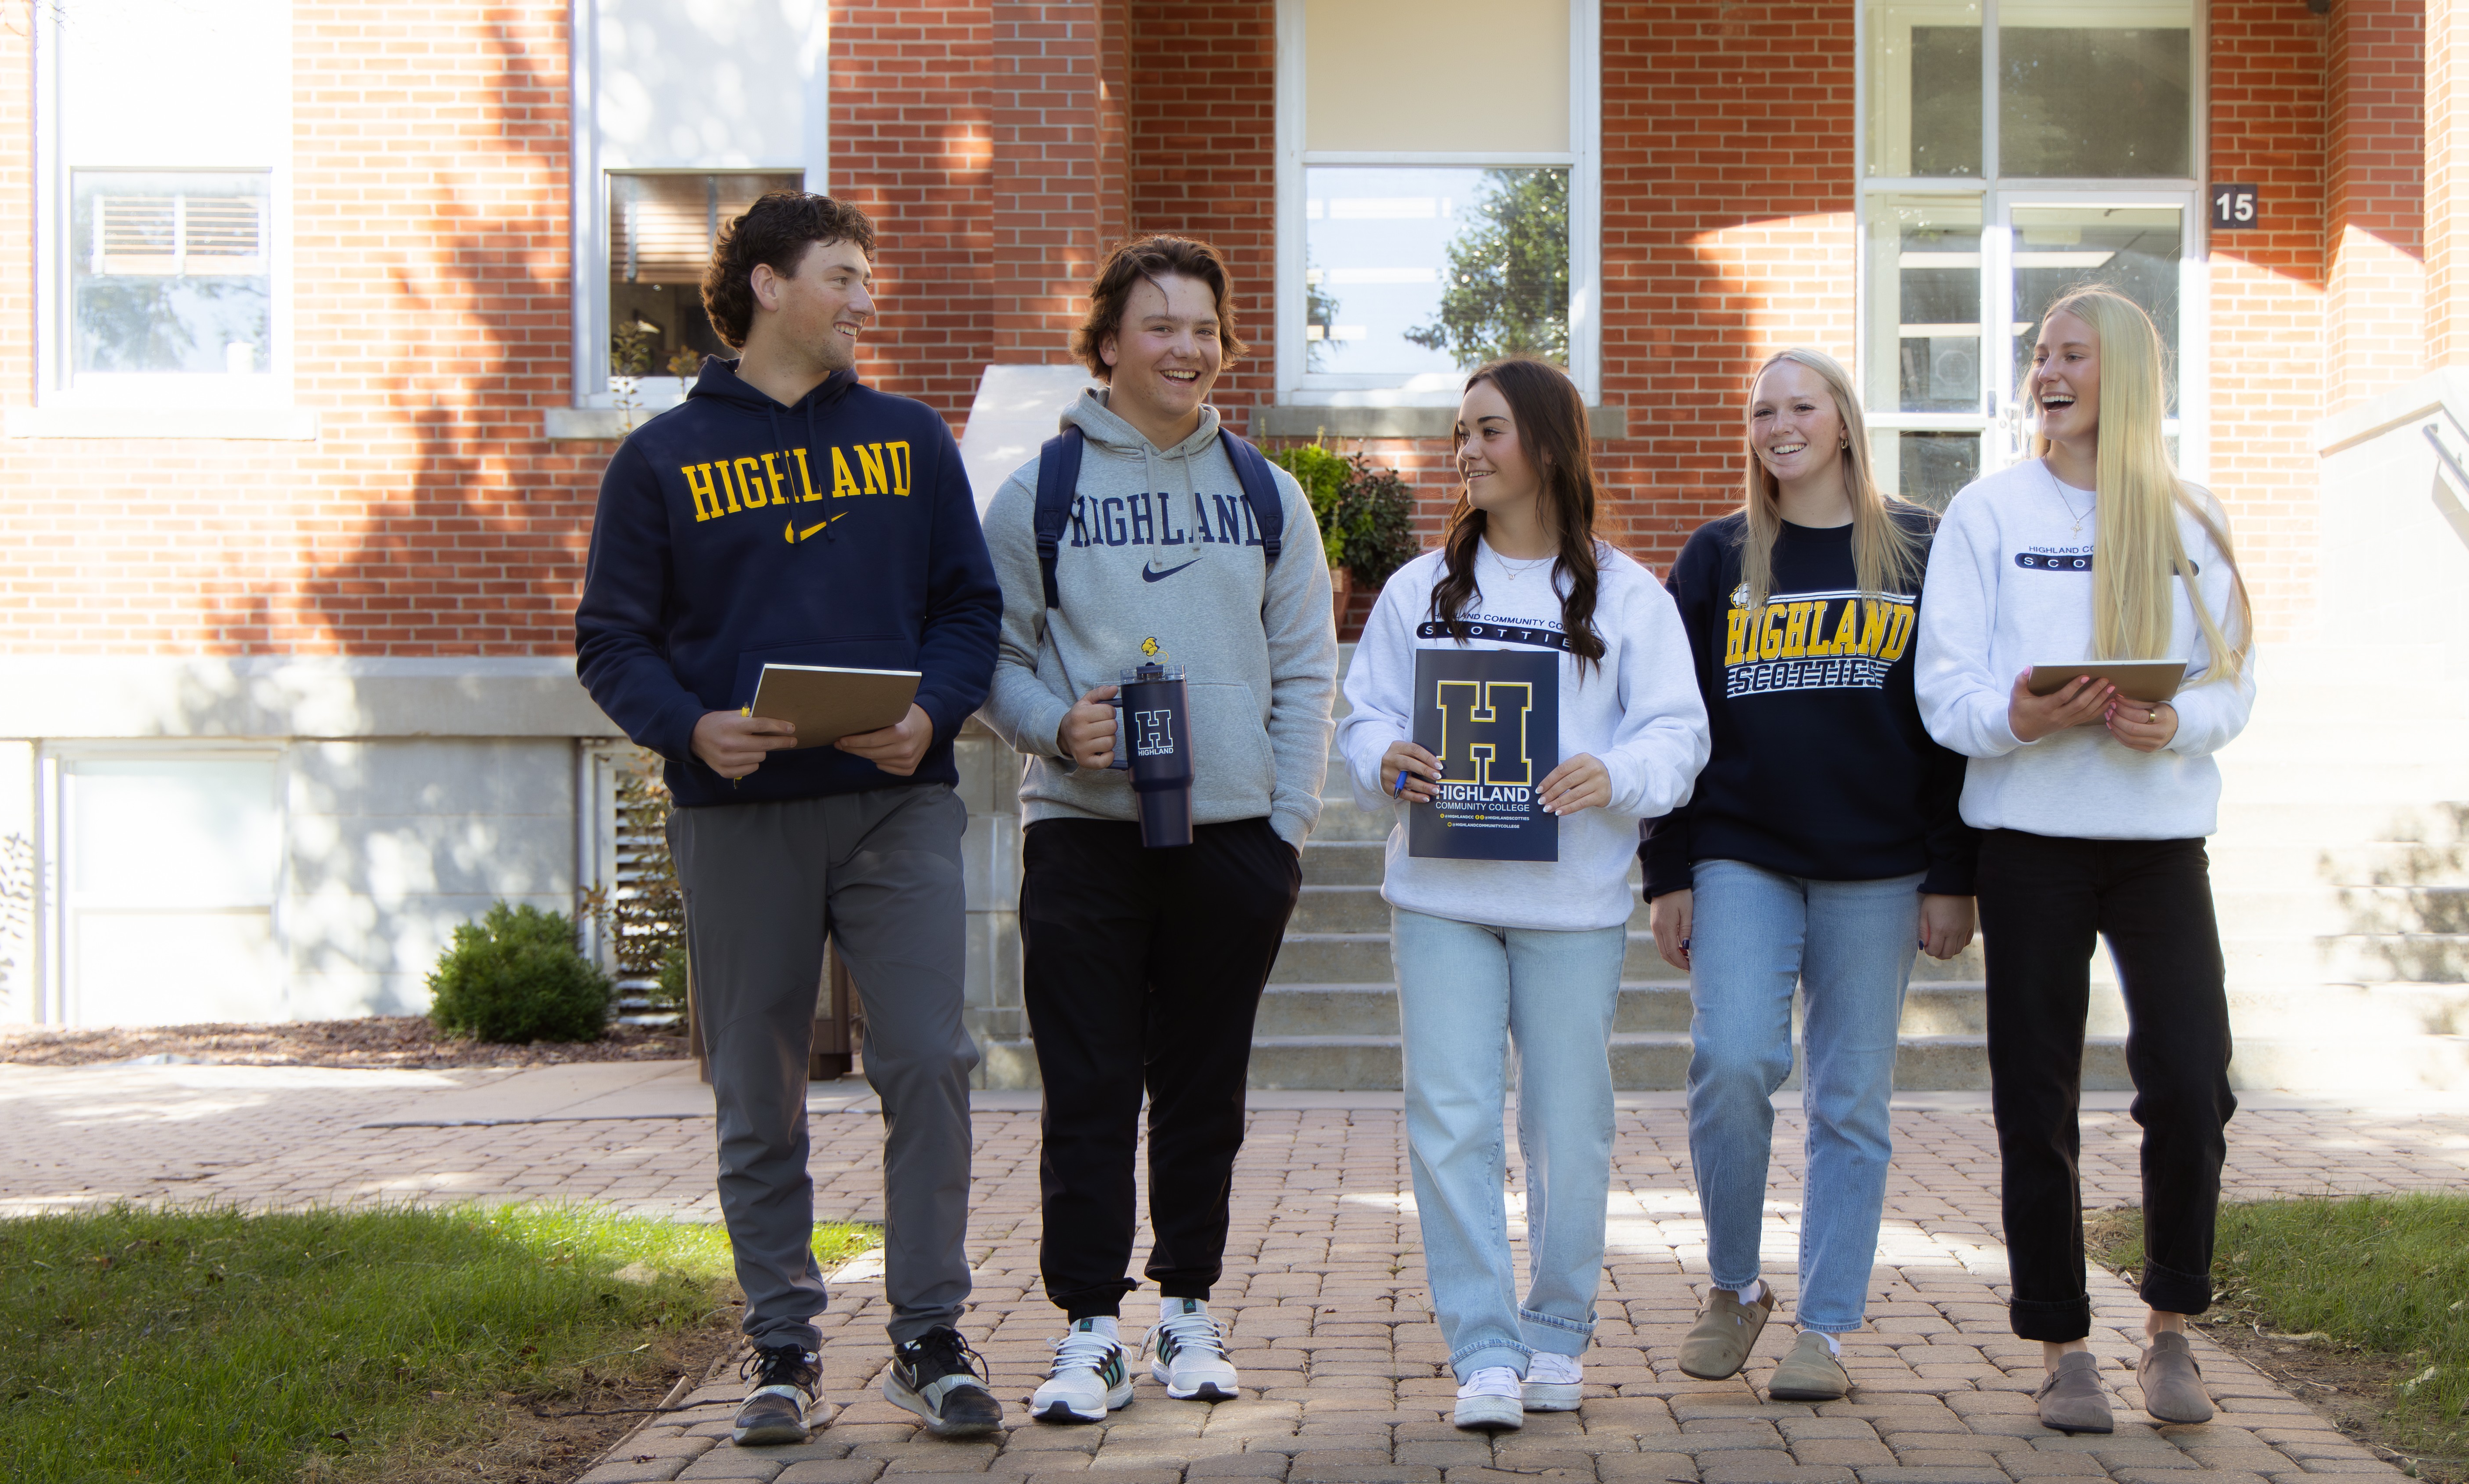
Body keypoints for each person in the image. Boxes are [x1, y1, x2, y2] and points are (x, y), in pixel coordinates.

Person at [575, 191, 1005, 1446]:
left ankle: (928, 1334)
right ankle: (781, 1344)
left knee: (928, 1057)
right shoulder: (659, 460)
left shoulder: (911, 439)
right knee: (757, 1089)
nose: (865, 300)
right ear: (768, 286)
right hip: (740, 810)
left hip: (895, 807)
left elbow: (966, 612)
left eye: (866, 277)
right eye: (843, 277)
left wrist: (931, 711)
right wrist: (686, 724)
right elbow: (610, 641)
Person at [974, 235, 1335, 1424]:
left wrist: (1282, 828)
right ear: (1109, 342)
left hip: (1230, 844)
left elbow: (1302, 670)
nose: (1188, 348)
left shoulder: (1265, 493)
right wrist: (1047, 729)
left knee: (1201, 1091)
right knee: (1086, 1089)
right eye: (1161, 325)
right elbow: (994, 656)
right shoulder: (1042, 490)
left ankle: (1188, 1308)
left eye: (1204, 328)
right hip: (1084, 841)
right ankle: (1089, 1328)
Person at [1337, 357, 1710, 1434]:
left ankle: (1555, 1334)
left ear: (1546, 444)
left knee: (1567, 1126)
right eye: (1458, 433)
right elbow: (1360, 715)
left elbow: (1678, 737)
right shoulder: (1419, 590)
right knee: (1449, 1122)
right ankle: (1485, 1349)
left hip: (1572, 904)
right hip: (1441, 896)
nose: (1465, 452)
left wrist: (1617, 776)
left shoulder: (1627, 594)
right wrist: (1384, 758)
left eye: (1487, 431)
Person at [1913, 285, 2256, 1435]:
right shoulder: (1986, 513)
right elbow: (1945, 692)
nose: (2047, 371)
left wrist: (2179, 724)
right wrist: (2022, 714)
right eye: (2038, 354)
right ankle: (2061, 1343)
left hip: (2158, 845)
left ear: (2124, 375)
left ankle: (2171, 1330)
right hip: (2031, 843)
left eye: (2072, 354)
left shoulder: (2189, 519)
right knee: (2036, 1095)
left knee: (2192, 1083)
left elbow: (2232, 685)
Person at [1637, 348, 1978, 1402]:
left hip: (1879, 865)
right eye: (1761, 410)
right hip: (1742, 848)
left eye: (1800, 405)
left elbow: (1948, 732)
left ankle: (1824, 1329)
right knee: (1733, 1060)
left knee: (1851, 1101)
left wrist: (1950, 874)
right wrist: (1667, 869)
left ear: (1842, 420)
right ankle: (1734, 1287)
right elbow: (1671, 716)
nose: (1778, 424)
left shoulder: (1919, 547)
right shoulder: (1716, 556)